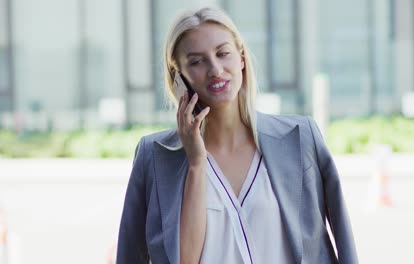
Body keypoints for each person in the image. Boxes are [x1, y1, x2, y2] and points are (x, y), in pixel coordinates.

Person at [117, 6, 358, 264]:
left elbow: (342, 238)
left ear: (241, 59)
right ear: (178, 78)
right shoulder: (153, 156)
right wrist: (196, 164)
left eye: (223, 53)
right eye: (197, 61)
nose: (216, 70)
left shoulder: (300, 137)